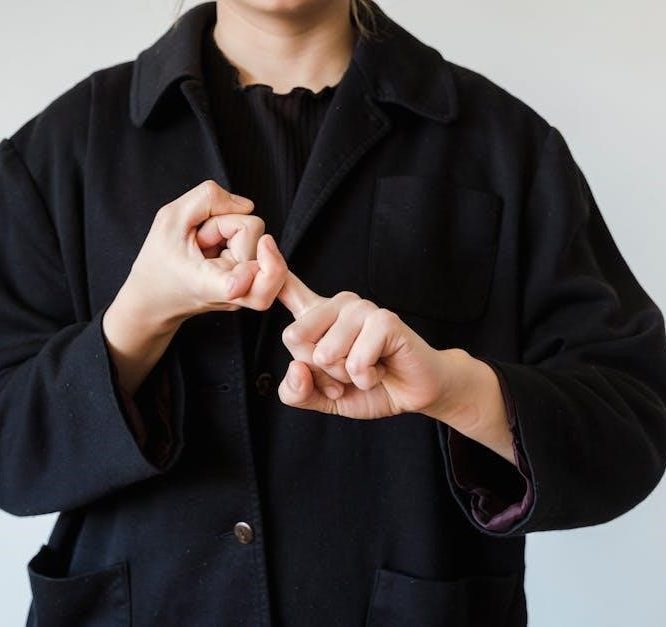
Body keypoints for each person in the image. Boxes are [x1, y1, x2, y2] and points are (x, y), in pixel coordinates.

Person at [1, 1, 665, 625]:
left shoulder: (507, 147)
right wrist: (136, 321)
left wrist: (458, 390)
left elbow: (633, 418)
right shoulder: (62, 151)